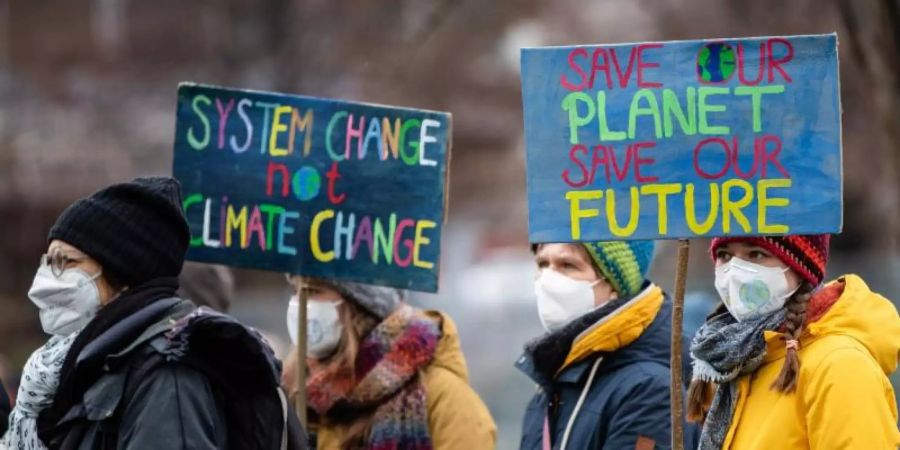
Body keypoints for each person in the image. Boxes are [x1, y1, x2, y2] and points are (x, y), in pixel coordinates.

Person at [1, 177, 306, 450]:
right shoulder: (84, 367)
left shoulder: (167, 379)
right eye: (47, 260)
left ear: (120, 274)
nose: (45, 279)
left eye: (65, 261)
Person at [687, 235, 900, 449]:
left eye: (756, 254)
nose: (734, 272)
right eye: (725, 255)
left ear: (800, 266)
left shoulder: (840, 366)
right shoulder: (736, 358)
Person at [518, 240, 695, 450]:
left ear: (614, 284)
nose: (548, 279)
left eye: (567, 265)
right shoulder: (554, 381)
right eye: (543, 264)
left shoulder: (649, 392)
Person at [281, 276, 496, 449]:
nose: (298, 303)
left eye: (312, 291)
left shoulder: (447, 403)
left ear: (359, 304)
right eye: (295, 290)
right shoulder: (298, 395)